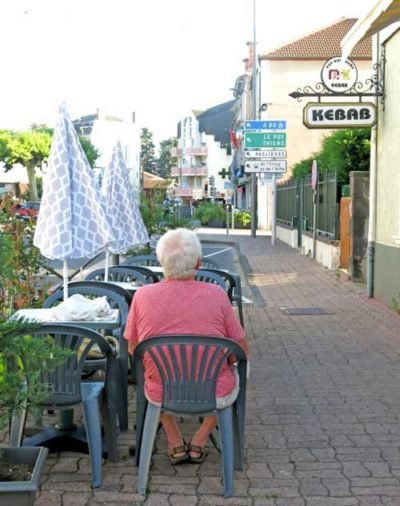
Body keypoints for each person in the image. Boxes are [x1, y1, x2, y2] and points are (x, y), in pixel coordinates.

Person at [124, 228, 249, 464]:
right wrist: (227, 362)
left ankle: (174, 437)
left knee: (150, 371)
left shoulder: (142, 296)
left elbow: (133, 348)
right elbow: (241, 349)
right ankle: (200, 438)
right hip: (213, 390)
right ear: (198, 263)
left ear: (161, 262)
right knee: (243, 367)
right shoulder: (217, 294)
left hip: (162, 391)